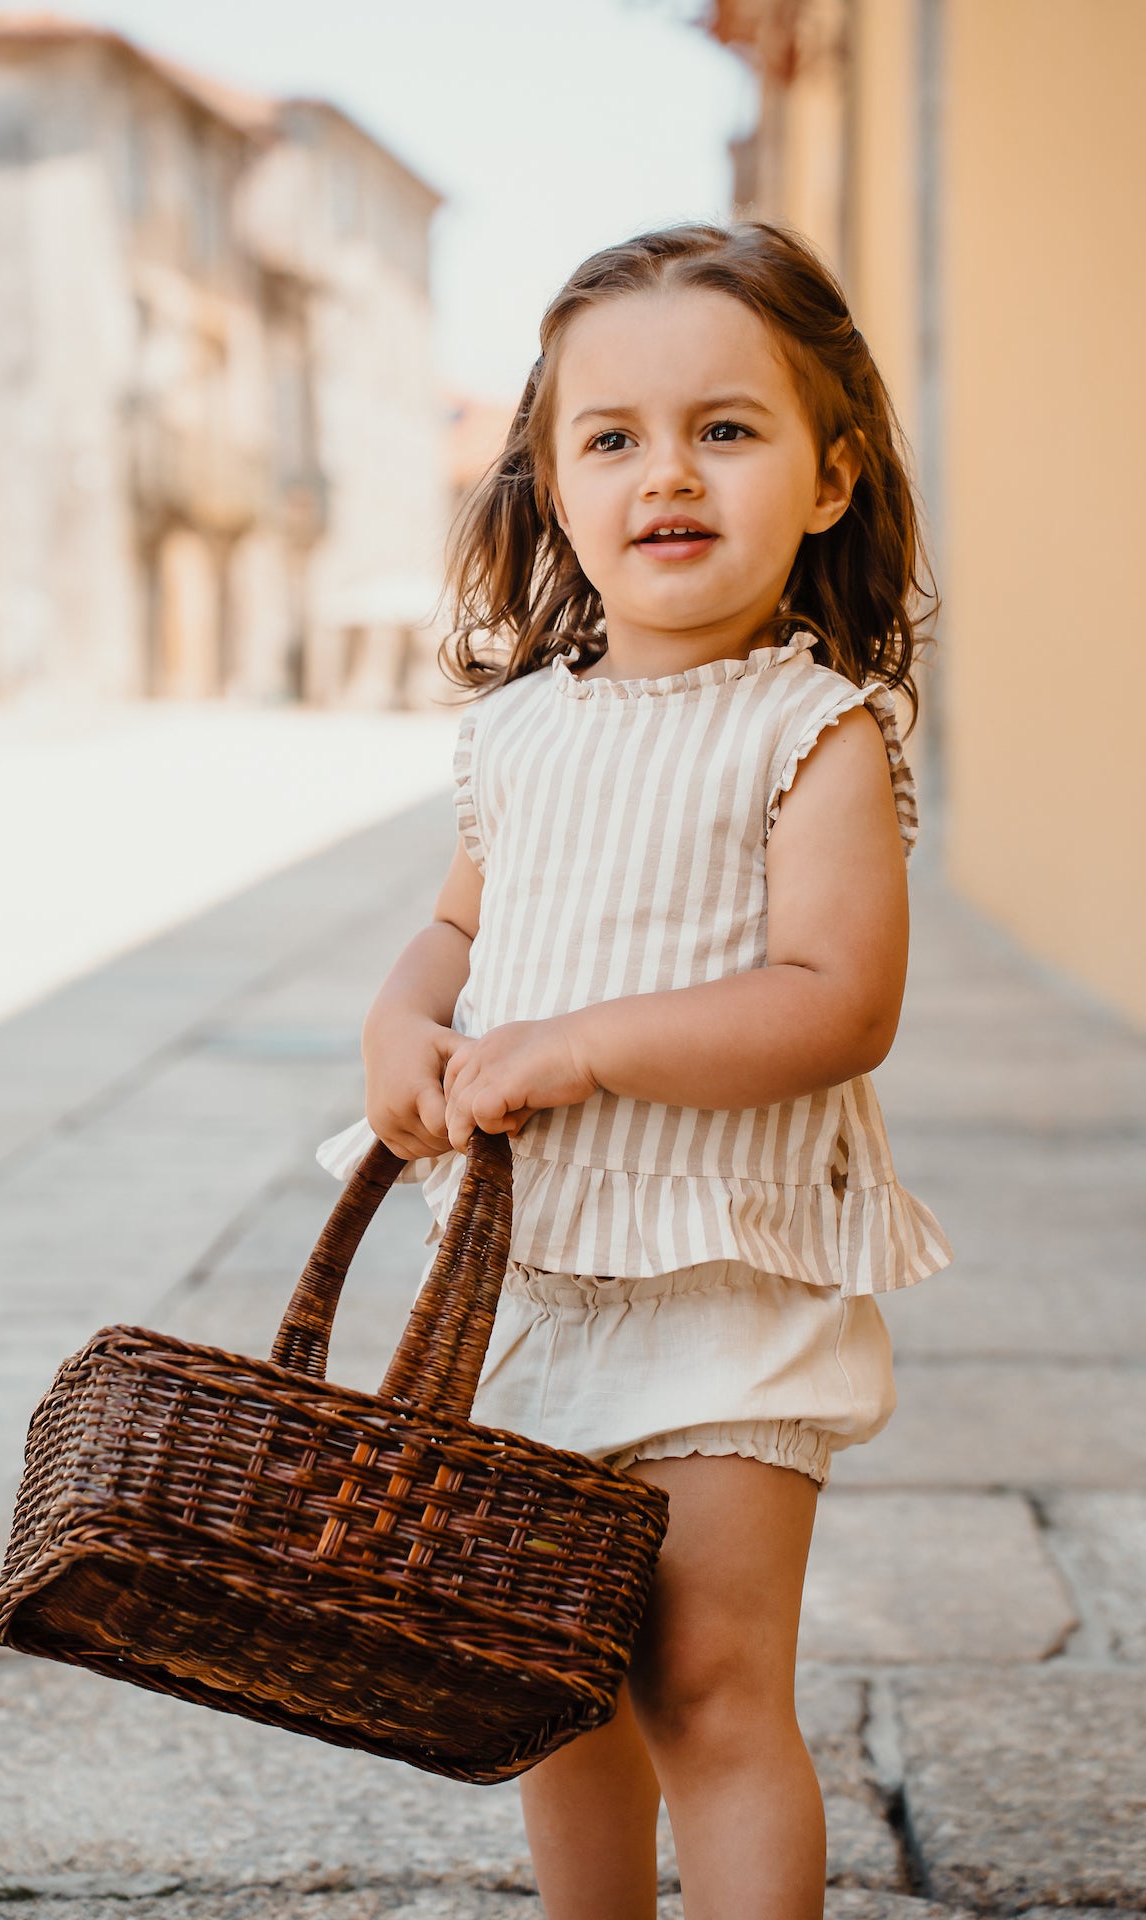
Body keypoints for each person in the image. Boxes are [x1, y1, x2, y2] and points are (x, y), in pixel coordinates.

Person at [318, 221, 951, 1920]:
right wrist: (403, 1024)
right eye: (614, 438)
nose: (667, 473)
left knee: (712, 1692)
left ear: (827, 480)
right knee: (543, 1684)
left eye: (726, 429)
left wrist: (587, 1044)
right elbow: (456, 934)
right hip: (521, 1282)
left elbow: (836, 1001)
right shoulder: (518, 731)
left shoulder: (811, 730)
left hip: (721, 1283)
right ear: (550, 487)